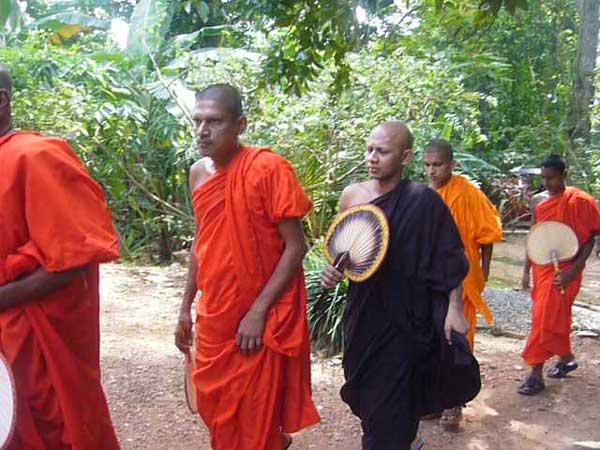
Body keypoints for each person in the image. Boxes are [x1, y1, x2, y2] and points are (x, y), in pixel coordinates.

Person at [174, 84, 320, 450]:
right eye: (198, 121)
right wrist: (184, 309)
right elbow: (201, 242)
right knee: (215, 407)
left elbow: (295, 246)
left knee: (256, 412)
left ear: (241, 124)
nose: (203, 131)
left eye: (215, 121)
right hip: (216, 313)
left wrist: (258, 311)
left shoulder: (268, 168)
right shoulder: (197, 174)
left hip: (258, 315)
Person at [322, 122, 479, 450]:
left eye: (382, 151)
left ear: (406, 156)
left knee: (390, 416)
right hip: (363, 319)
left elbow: (451, 259)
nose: (372, 158)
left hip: (407, 324)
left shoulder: (424, 203)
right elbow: (346, 253)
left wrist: (453, 309)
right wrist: (332, 273)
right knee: (371, 402)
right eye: (369, 150)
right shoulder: (353, 196)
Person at [0, 66, 121, 448]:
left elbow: (74, 259)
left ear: (1, 101)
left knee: (51, 429)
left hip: (34, 336)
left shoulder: (35, 156)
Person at [423, 139, 503, 429]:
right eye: (427, 165)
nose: (432, 171)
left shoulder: (468, 193)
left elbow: (487, 235)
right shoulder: (421, 196)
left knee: (456, 341)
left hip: (462, 280)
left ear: (451, 165)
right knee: (430, 341)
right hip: (428, 283)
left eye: (438, 165)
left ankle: (453, 402)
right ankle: (433, 399)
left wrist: (483, 271)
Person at [519, 154, 600, 395]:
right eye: (544, 178)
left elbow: (591, 238)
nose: (547, 183)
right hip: (542, 267)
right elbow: (536, 237)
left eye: (552, 178)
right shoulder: (538, 201)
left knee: (545, 317)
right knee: (552, 316)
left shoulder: (581, 201)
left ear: (565, 175)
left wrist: (572, 271)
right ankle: (566, 357)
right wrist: (525, 272)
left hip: (568, 269)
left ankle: (535, 373)